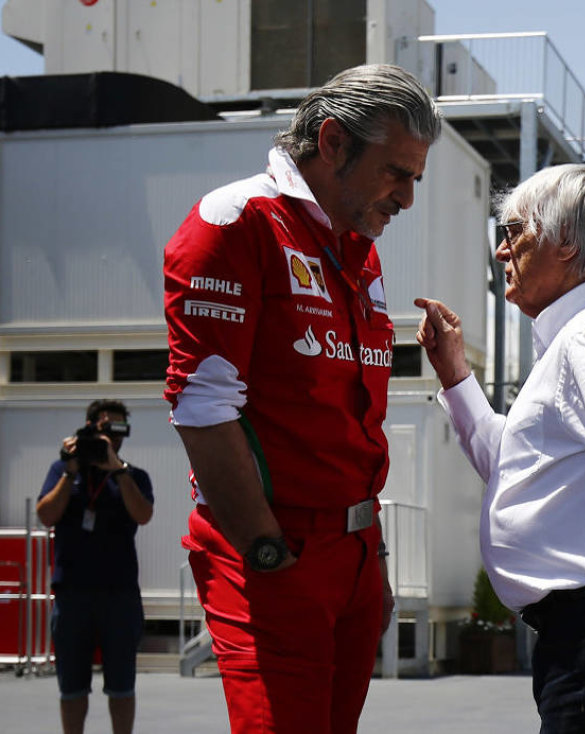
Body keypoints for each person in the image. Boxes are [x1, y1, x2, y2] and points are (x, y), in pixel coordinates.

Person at [163, 64, 441, 734]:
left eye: (416, 180)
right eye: (396, 173)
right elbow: (202, 408)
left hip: (353, 553)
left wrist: (370, 556)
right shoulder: (234, 221)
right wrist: (265, 549)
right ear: (335, 142)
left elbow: (355, 419)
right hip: (272, 549)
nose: (407, 199)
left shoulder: (359, 250)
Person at [414, 164, 585, 733]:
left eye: (515, 231)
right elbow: (515, 471)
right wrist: (456, 376)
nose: (501, 251)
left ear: (565, 243)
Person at [37, 400, 154, 734]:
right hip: (72, 594)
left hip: (119, 595)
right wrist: (70, 470)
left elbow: (143, 515)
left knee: (122, 686)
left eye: (119, 430)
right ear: (89, 428)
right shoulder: (63, 471)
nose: (112, 437)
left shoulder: (134, 476)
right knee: (72, 687)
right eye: (105, 429)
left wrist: (117, 469)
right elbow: (46, 516)